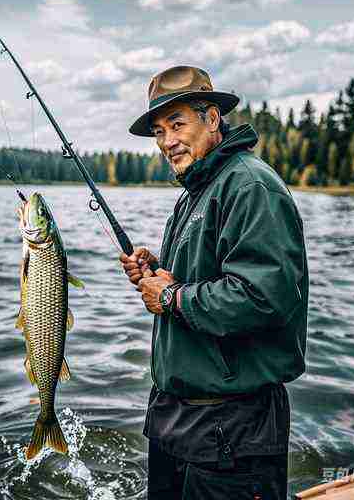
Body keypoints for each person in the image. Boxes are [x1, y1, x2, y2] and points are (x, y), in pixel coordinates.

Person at [120, 65, 309, 499]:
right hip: (177, 421)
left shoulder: (251, 185)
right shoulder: (197, 191)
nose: (167, 142)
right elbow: (211, 275)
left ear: (212, 118)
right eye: (158, 131)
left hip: (233, 430)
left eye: (177, 124)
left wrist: (170, 296)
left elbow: (263, 297)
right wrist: (160, 268)